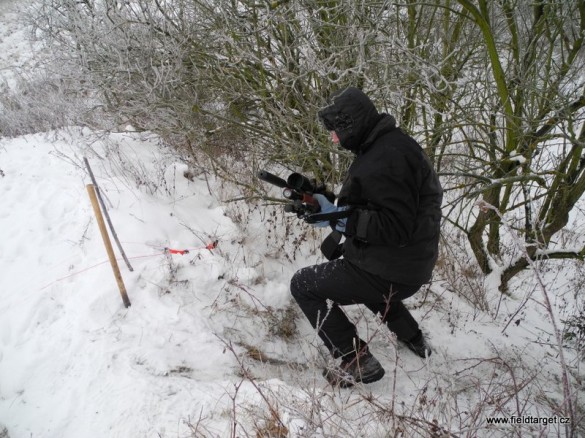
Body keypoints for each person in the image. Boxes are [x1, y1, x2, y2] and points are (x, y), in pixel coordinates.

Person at [290, 87, 443, 387]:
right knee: (369, 283)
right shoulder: (388, 147)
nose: (333, 139)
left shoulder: (386, 158)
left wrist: (341, 218)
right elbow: (376, 204)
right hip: (409, 263)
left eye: (335, 131)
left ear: (350, 123)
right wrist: (328, 205)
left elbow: (395, 227)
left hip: (395, 268)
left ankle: (356, 360)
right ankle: (414, 338)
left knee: (303, 285)